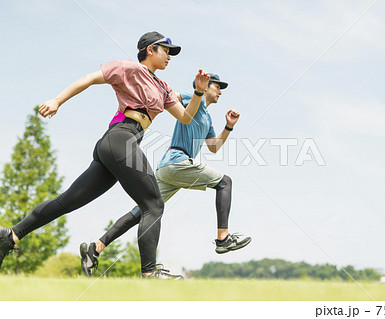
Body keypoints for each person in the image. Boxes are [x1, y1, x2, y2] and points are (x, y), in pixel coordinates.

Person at [0, 31, 211, 280]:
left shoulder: (163, 87)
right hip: (120, 138)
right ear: (150, 50)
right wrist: (57, 100)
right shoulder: (128, 69)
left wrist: (198, 92)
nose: (170, 57)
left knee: (68, 200)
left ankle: (9, 236)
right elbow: (90, 78)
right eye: (166, 51)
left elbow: (185, 117)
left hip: (118, 143)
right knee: (153, 205)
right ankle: (150, 273)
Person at [79, 74, 251, 277]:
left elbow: (213, 146)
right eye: (217, 86)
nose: (220, 91)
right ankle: (223, 238)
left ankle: (96, 247)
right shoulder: (191, 97)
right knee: (224, 183)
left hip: (169, 168)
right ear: (205, 87)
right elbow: (168, 97)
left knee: (142, 211)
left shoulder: (207, 118)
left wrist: (229, 126)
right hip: (179, 162)